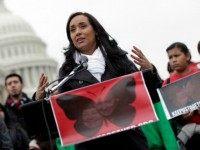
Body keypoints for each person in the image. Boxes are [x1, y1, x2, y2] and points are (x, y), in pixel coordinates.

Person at [35, 12, 162, 150]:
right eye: (72, 30)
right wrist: (40, 99)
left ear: (95, 30)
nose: (77, 32)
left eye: (82, 26)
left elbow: (150, 95)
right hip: (90, 144)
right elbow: (61, 116)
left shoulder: (118, 59)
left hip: (129, 140)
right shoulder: (67, 71)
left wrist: (149, 72)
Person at [163, 42, 200, 150]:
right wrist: (180, 117)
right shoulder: (167, 83)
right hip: (191, 136)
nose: (173, 60)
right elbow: (170, 114)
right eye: (170, 57)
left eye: (177, 55)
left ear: (187, 56)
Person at [4, 73, 40, 150]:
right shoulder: (4, 112)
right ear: (6, 88)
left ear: (22, 85)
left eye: (15, 82)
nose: (13, 85)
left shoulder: (33, 104)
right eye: (9, 83)